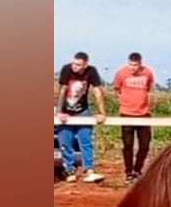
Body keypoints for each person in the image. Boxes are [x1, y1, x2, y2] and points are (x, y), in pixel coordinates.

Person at [56, 51, 106, 183]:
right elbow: (62, 90)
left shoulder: (91, 71)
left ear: (85, 65)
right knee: (65, 142)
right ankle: (70, 170)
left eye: (78, 65)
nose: (74, 66)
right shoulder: (67, 69)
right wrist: (60, 112)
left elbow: (97, 91)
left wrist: (101, 112)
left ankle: (89, 170)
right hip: (66, 110)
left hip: (82, 110)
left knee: (86, 140)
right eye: (74, 63)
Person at [113, 52, 155, 185]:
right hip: (126, 113)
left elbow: (149, 89)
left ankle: (137, 170)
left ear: (140, 64)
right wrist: (123, 103)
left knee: (145, 145)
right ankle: (128, 172)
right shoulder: (121, 73)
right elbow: (117, 89)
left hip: (143, 114)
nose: (133, 68)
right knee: (128, 145)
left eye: (135, 65)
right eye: (131, 65)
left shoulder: (147, 73)